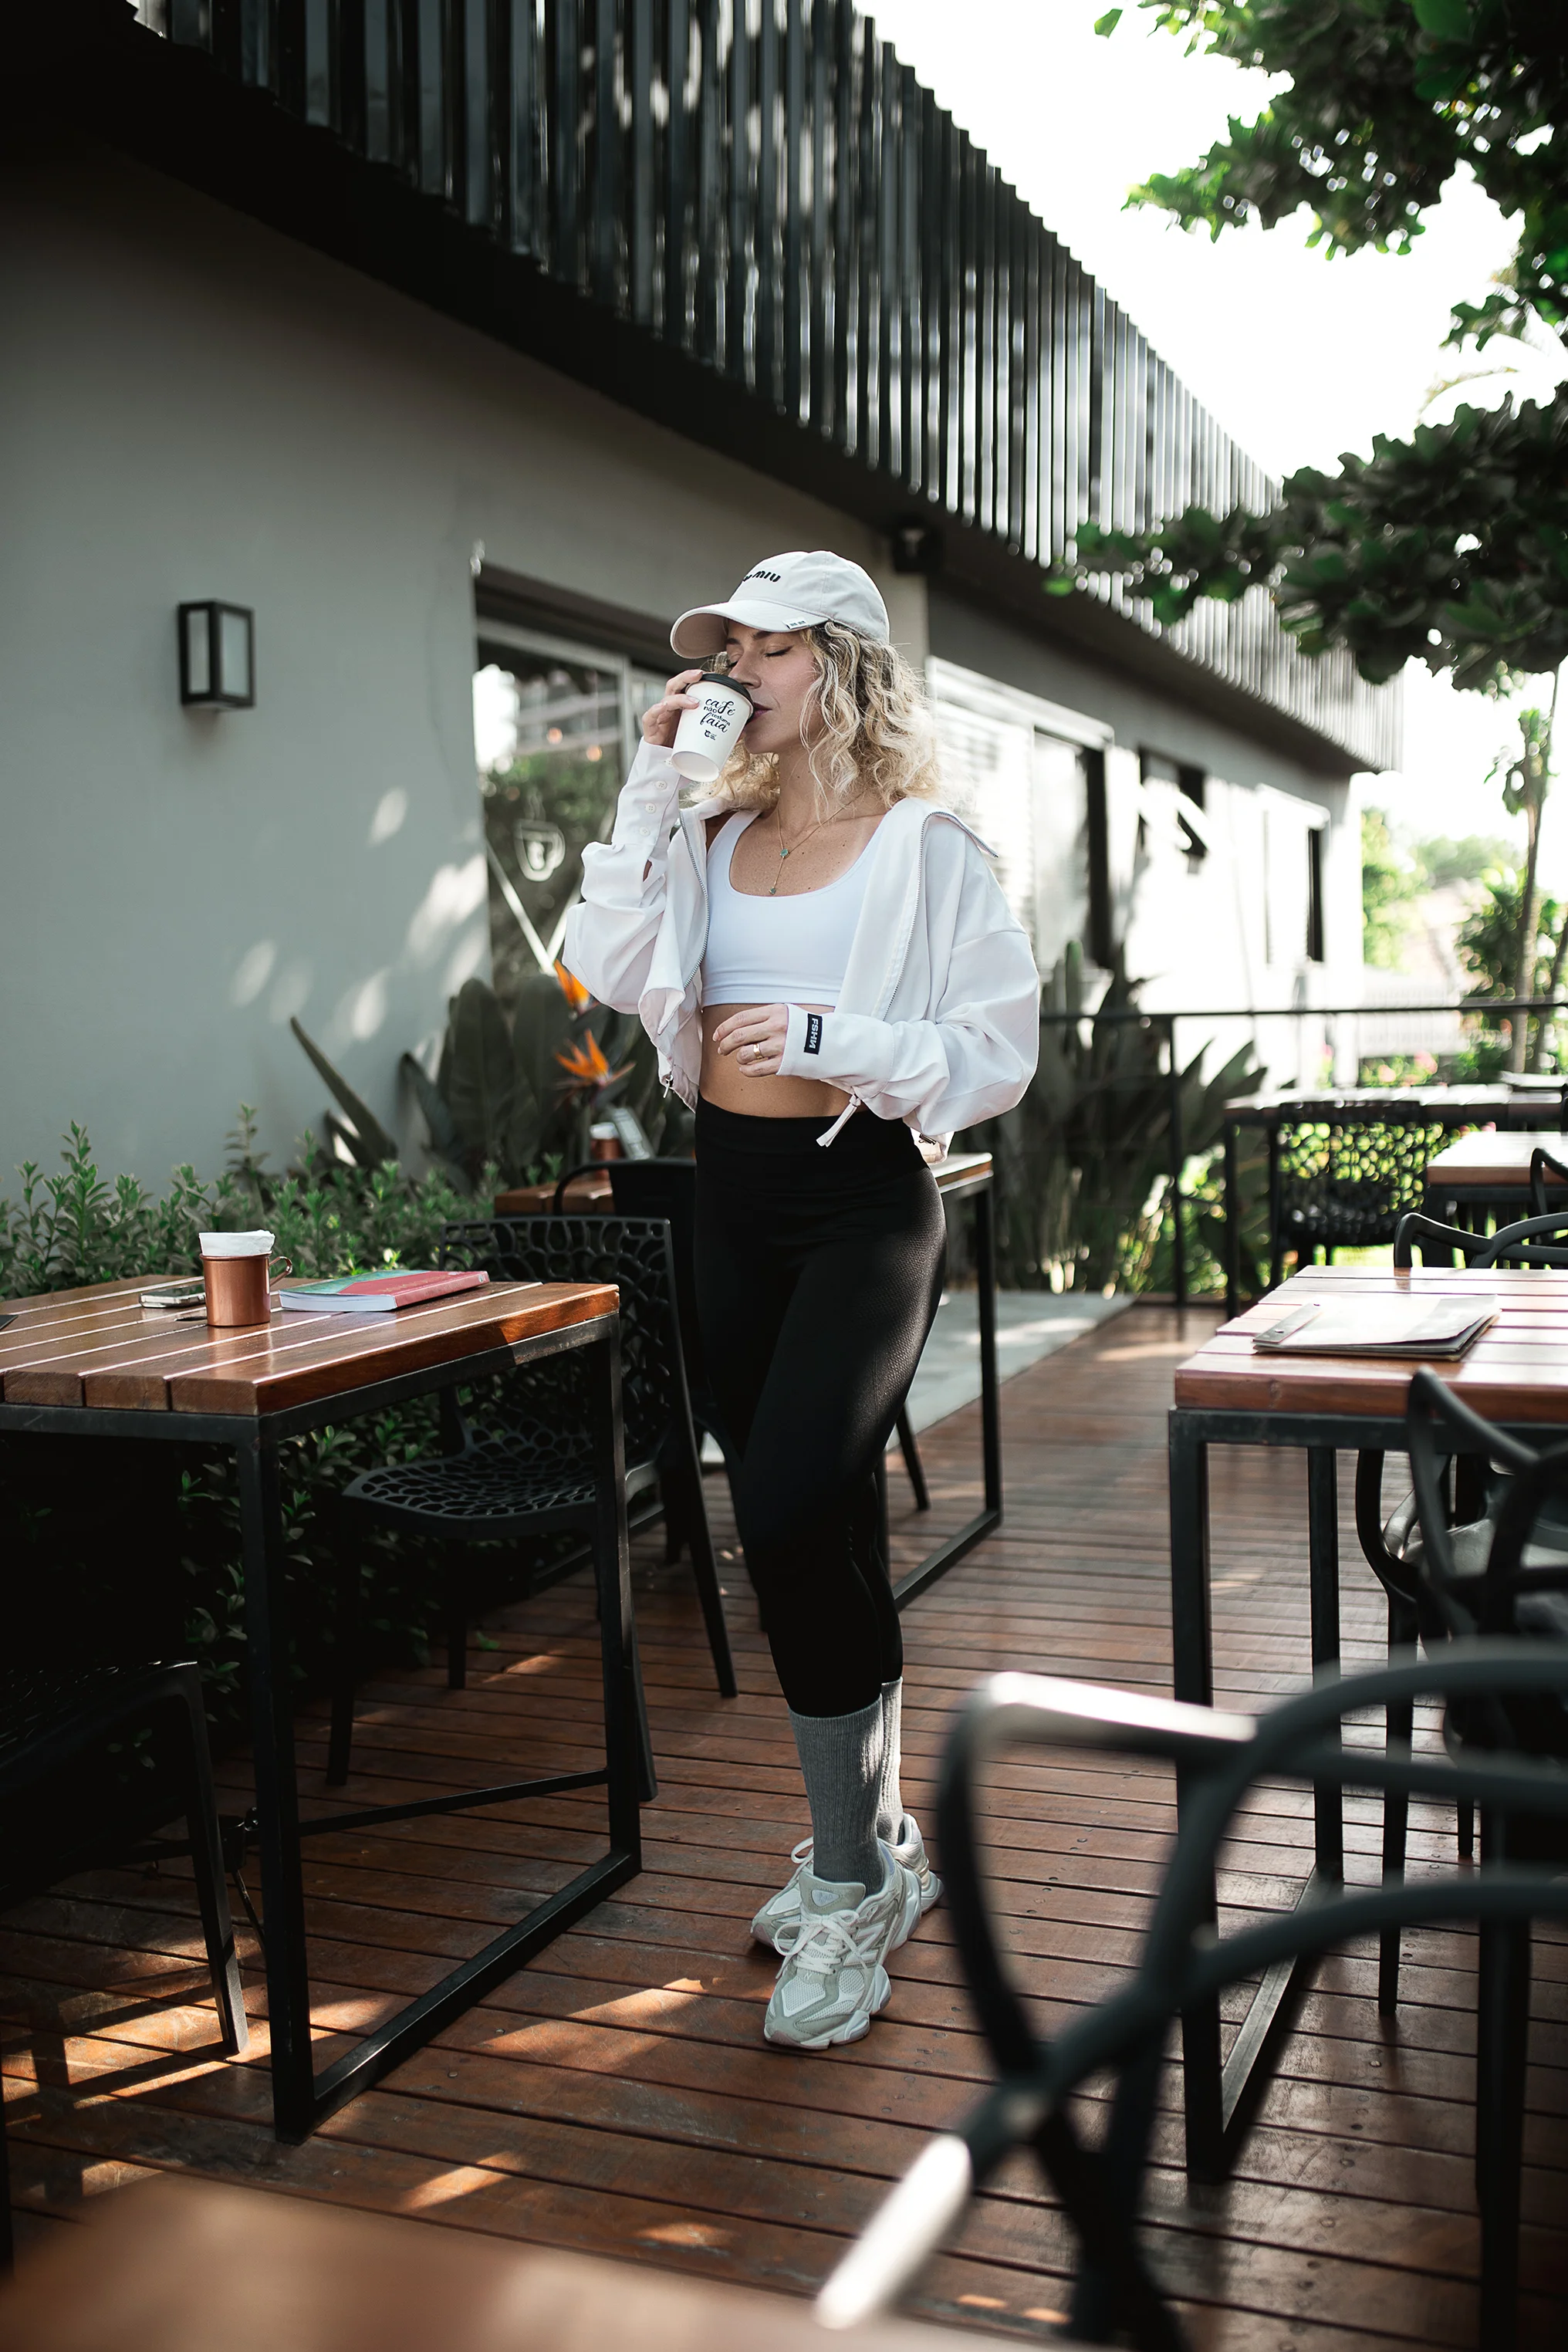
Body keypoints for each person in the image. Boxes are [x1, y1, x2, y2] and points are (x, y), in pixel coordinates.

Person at [564, 550, 1039, 2051]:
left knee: (776, 1515)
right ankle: (880, 1848)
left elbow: (997, 1051)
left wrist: (841, 1039)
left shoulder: (925, 846)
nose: (734, 676)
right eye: (726, 655)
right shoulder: (704, 833)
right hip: (733, 1201)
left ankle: (843, 1887)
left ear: (841, 665)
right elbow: (601, 964)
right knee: (817, 1526)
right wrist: (650, 786)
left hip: (861, 1206)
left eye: (766, 650)